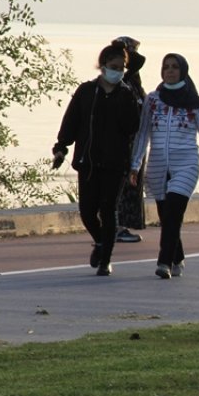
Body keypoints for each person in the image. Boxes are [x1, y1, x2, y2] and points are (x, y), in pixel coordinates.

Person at [129, 54, 199, 279]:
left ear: (183, 71)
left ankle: (163, 262)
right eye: (166, 67)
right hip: (157, 167)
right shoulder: (153, 100)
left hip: (186, 164)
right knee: (167, 217)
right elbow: (143, 133)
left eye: (175, 67)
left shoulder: (195, 103)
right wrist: (135, 164)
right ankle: (178, 257)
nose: (170, 71)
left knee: (174, 211)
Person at [52, 42, 141, 276]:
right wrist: (61, 147)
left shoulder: (126, 94)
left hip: (115, 163)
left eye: (122, 68)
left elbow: (133, 126)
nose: (117, 72)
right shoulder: (86, 91)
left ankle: (106, 261)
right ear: (102, 66)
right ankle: (101, 242)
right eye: (113, 67)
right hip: (88, 162)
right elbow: (71, 120)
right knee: (87, 211)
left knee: (109, 208)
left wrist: (129, 98)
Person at [114, 36, 147, 244]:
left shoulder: (133, 82)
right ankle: (117, 226)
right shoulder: (121, 83)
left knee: (129, 185)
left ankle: (120, 225)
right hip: (123, 143)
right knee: (122, 186)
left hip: (135, 143)